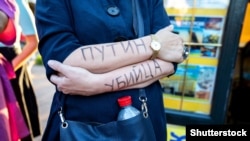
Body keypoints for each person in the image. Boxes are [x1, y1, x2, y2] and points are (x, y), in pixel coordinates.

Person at [35, 0, 186, 141]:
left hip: (147, 119)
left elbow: (170, 58)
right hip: (82, 125)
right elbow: (63, 60)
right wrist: (154, 44)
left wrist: (97, 84)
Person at [0, 0, 41, 141]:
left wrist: (9, 68)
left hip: (10, 65)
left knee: (16, 121)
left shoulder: (16, 2)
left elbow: (33, 42)